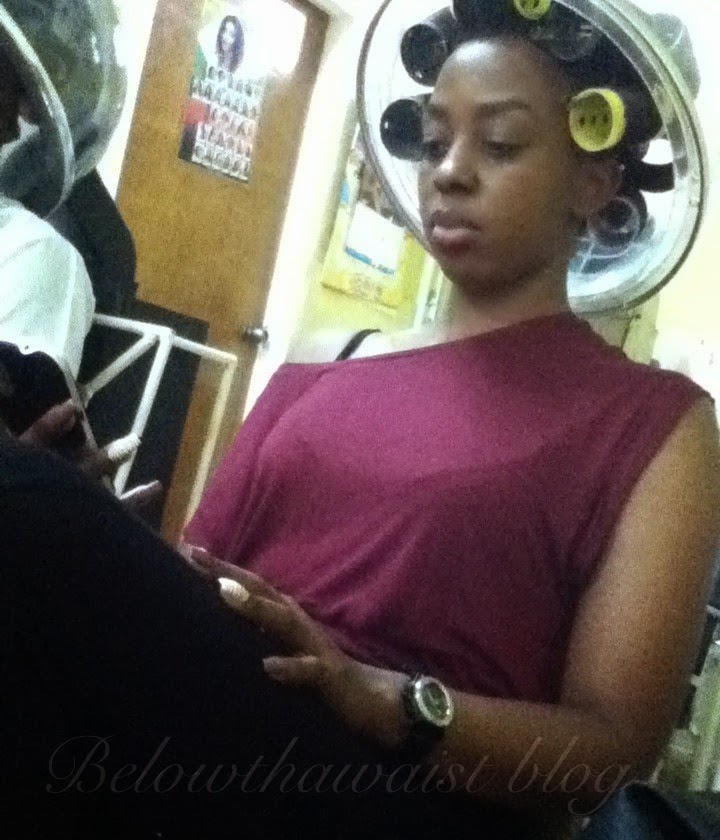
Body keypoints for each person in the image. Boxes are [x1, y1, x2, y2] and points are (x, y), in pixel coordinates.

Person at [3, 8, 719, 840]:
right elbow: (210, 577)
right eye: (434, 139)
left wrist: (382, 698)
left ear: (594, 184)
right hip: (230, 728)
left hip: (407, 793)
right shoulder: (329, 356)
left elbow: (612, 753)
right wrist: (97, 532)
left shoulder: (657, 424)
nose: (449, 172)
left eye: (500, 144)